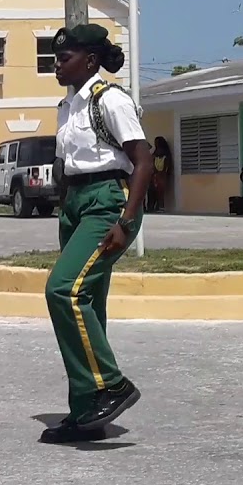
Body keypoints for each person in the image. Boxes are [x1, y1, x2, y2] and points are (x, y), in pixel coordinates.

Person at [41, 23, 152, 444]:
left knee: (63, 291)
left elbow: (142, 161)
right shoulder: (67, 106)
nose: (57, 65)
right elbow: (66, 163)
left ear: (89, 61)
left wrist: (125, 221)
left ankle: (112, 384)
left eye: (64, 59)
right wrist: (63, 208)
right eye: (56, 59)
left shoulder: (110, 100)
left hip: (108, 201)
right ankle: (87, 411)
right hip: (76, 205)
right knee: (87, 302)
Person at [148, 136, 172, 213]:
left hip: (161, 176)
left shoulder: (166, 157)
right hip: (154, 176)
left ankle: (160, 207)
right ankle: (151, 207)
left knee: (160, 192)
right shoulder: (155, 155)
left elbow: (166, 168)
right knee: (151, 192)